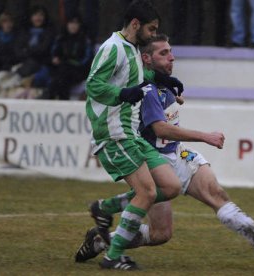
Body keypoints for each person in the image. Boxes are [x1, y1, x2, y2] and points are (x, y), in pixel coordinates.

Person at [75, 34, 254, 265]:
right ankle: (100, 240)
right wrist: (205, 136)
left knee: (215, 193)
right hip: (155, 162)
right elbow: (161, 129)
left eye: (171, 51)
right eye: (163, 53)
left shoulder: (162, 82)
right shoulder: (145, 90)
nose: (172, 57)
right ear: (146, 59)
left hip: (179, 154)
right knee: (160, 234)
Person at [83, 0, 189, 271]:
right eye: (151, 29)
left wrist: (162, 79)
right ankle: (113, 256)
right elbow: (94, 85)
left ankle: (105, 207)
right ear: (135, 25)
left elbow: (138, 79)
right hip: (113, 133)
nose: (153, 35)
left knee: (170, 187)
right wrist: (121, 94)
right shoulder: (113, 48)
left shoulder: (132, 49)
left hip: (131, 134)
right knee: (146, 192)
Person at [41, 14, 92, 100]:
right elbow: (53, 54)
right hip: (61, 69)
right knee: (60, 78)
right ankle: (53, 99)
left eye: (76, 23)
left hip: (78, 70)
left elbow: (86, 60)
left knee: (62, 76)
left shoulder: (84, 40)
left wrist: (70, 62)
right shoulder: (60, 38)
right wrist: (55, 59)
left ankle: (52, 98)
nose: (73, 26)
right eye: (71, 23)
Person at [14, 5, 55, 88]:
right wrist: (29, 52)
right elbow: (18, 50)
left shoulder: (49, 32)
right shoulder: (24, 31)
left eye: (41, 15)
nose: (38, 18)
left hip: (42, 63)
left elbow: (43, 49)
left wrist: (27, 50)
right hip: (24, 62)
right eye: (35, 15)